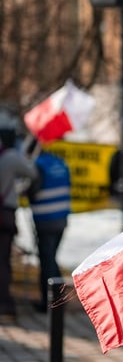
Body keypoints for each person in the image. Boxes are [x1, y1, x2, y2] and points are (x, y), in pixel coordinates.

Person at [0, 128, 38, 324]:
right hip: (5, 214)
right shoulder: (11, 157)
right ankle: (4, 304)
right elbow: (31, 172)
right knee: (3, 260)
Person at [26, 149, 71, 313]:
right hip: (62, 218)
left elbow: (33, 189)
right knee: (51, 258)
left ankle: (51, 304)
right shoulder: (61, 163)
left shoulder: (38, 165)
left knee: (47, 261)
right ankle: (58, 300)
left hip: (45, 219)